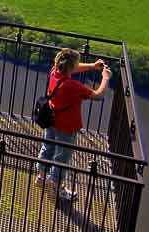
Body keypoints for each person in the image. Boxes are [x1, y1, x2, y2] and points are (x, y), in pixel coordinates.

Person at [35, 48, 111, 201]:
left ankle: (41, 177)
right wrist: (105, 78)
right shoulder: (73, 86)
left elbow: (72, 67)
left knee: (47, 147)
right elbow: (98, 95)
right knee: (62, 157)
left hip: (51, 119)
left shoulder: (54, 71)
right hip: (67, 126)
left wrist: (92, 66)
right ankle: (57, 188)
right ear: (70, 66)